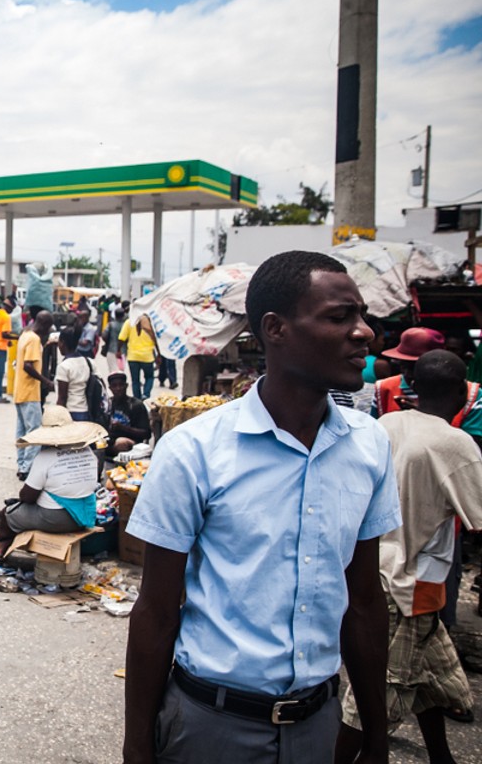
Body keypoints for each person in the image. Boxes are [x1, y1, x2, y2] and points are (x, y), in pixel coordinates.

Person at [123, 250, 400, 764]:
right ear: (276, 329)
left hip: (318, 723)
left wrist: (376, 736)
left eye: (362, 316)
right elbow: (156, 612)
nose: (363, 332)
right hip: (211, 728)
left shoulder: (369, 446)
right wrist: (137, 747)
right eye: (340, 317)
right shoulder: (194, 451)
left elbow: (364, 602)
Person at [335, 350, 482, 764]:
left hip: (372, 569)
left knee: (431, 682)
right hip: (408, 584)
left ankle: (442, 757)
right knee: (376, 695)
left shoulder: (386, 424)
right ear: (462, 392)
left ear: (413, 386)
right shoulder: (455, 443)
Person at [0, 406, 107, 558]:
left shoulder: (45, 457)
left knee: (8, 513)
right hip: (86, 515)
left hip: (56, 519)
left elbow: (27, 496)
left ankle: (0, 540)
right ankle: (4, 542)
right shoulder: (88, 452)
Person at [14, 311, 55, 480]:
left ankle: (22, 465)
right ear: (44, 325)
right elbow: (28, 366)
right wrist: (46, 381)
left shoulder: (25, 334)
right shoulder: (34, 339)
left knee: (22, 432)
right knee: (34, 431)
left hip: (19, 391)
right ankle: (28, 468)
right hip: (30, 392)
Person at [373, 327, 445, 416]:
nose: (408, 374)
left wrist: (423, 413)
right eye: (403, 366)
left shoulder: (454, 391)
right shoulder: (384, 388)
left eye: (414, 367)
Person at [55, 325, 98, 422]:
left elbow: (62, 398)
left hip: (70, 412)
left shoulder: (64, 366)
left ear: (62, 343)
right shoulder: (89, 362)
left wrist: (58, 419)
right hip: (86, 411)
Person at [106, 372, 151, 456]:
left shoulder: (135, 405)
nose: (118, 389)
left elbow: (146, 434)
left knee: (121, 442)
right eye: (114, 386)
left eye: (121, 385)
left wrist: (122, 427)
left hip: (131, 442)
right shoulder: (108, 404)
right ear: (110, 388)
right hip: (111, 440)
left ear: (126, 386)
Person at [118, 313, 157, 400]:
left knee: (135, 380)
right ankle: (146, 394)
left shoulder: (129, 322)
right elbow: (156, 339)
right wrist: (159, 355)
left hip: (133, 356)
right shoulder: (150, 323)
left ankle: (137, 399)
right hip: (147, 356)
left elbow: (121, 338)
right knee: (149, 377)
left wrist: (118, 350)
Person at [101, 306, 126, 376]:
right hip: (123, 351)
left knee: (112, 370)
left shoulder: (110, 325)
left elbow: (104, 335)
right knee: (121, 370)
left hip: (111, 350)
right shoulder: (126, 325)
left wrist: (107, 341)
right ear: (123, 315)